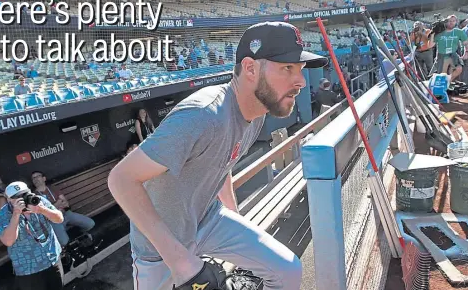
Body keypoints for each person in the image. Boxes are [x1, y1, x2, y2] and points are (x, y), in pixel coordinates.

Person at [108, 21, 327, 290]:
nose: (301, 82)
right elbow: (121, 179)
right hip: (160, 245)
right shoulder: (203, 114)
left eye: (301, 70)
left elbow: (222, 162)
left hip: (209, 219)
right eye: (287, 68)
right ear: (250, 68)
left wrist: (234, 215)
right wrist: (181, 262)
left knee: (288, 271)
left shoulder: (255, 111)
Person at [0, 181, 65, 290]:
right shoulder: (4, 214)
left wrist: (42, 210)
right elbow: (8, 241)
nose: (22, 199)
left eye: (24, 194)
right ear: (8, 199)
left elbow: (59, 218)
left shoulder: (38, 201)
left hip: (52, 259)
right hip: (29, 268)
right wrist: (16, 214)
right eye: (17, 197)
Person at [31, 171, 95, 246]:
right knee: (64, 242)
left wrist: (53, 207)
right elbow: (45, 212)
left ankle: (78, 234)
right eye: (33, 178)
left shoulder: (52, 188)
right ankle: (69, 241)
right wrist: (57, 204)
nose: (35, 179)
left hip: (66, 214)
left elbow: (66, 203)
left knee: (90, 224)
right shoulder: (34, 196)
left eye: (37, 176)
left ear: (44, 178)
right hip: (54, 220)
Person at [433, 15, 468, 82]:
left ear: (456, 22)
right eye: (449, 21)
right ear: (446, 22)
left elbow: (466, 43)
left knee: (459, 68)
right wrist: (432, 33)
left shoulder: (459, 32)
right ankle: (443, 86)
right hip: (442, 55)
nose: (451, 23)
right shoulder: (439, 33)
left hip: (453, 54)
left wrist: (466, 52)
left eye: (453, 21)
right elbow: (431, 45)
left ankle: (448, 81)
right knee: (442, 74)